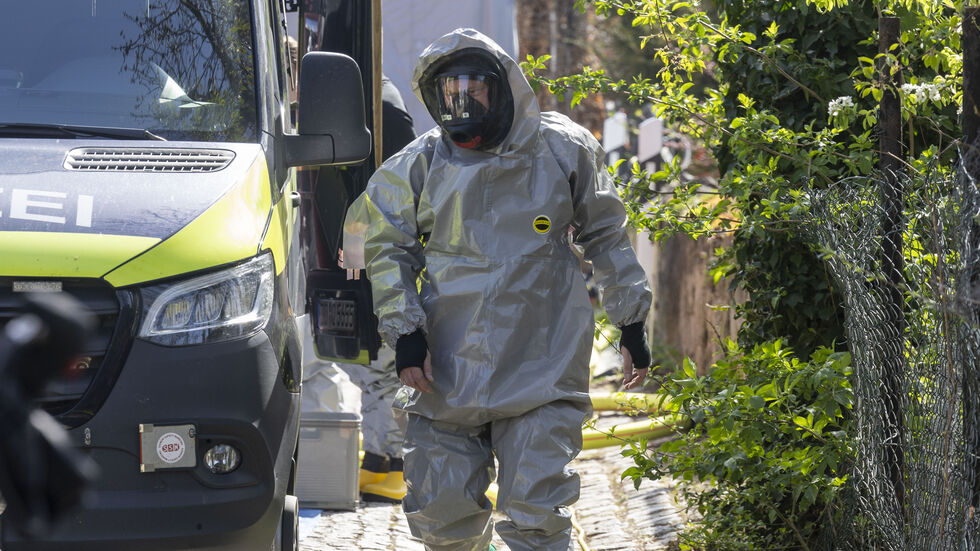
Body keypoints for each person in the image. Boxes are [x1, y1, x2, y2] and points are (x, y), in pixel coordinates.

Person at [343, 28, 652, 551]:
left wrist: (632, 324)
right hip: (446, 367)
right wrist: (407, 335)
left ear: (503, 86)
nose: (461, 102)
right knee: (440, 511)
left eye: (472, 87)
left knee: (537, 508)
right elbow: (384, 244)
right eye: (448, 91)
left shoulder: (562, 148)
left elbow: (607, 234)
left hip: (543, 361)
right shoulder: (421, 163)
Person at [343, 74, 417, 503]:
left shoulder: (378, 104)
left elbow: (389, 187)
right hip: (374, 250)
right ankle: (378, 459)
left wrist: (356, 242)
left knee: (387, 365)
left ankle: (396, 462)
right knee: (374, 368)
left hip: (384, 254)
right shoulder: (376, 98)